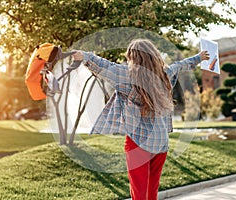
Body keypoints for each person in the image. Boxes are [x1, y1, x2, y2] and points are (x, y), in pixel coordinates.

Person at [72, 39, 209, 200]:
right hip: (161, 142)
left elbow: (104, 66)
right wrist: (199, 57)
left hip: (138, 143)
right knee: (152, 191)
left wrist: (84, 56)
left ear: (132, 57)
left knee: (139, 193)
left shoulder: (127, 76)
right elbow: (181, 65)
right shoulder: (164, 76)